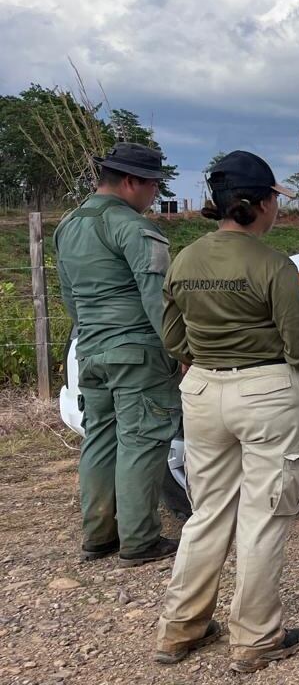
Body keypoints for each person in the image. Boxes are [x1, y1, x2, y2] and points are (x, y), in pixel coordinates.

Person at [154, 151, 299, 673]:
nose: (276, 208)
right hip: (266, 392)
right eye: (274, 198)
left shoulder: (185, 260)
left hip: (202, 392)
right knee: (264, 514)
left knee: (206, 513)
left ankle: (182, 628)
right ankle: (255, 639)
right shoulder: (273, 265)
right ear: (259, 204)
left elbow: (173, 336)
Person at [54, 143, 182, 567]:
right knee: (142, 441)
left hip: (91, 348)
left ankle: (98, 536)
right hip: (137, 351)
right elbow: (156, 297)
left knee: (100, 440)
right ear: (131, 182)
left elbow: (69, 296)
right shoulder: (132, 227)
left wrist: (92, 335)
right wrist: (179, 350)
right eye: (153, 185)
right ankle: (140, 540)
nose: (155, 194)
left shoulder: (68, 226)